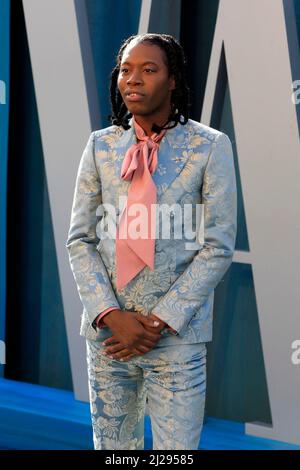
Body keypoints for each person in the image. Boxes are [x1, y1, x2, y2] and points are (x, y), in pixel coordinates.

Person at [66, 33, 237, 450]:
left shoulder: (209, 147)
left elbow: (218, 245)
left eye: (148, 69)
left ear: (173, 79)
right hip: (110, 337)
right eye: (126, 70)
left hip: (176, 340)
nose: (133, 79)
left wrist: (159, 322)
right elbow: (80, 240)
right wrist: (109, 315)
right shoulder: (100, 146)